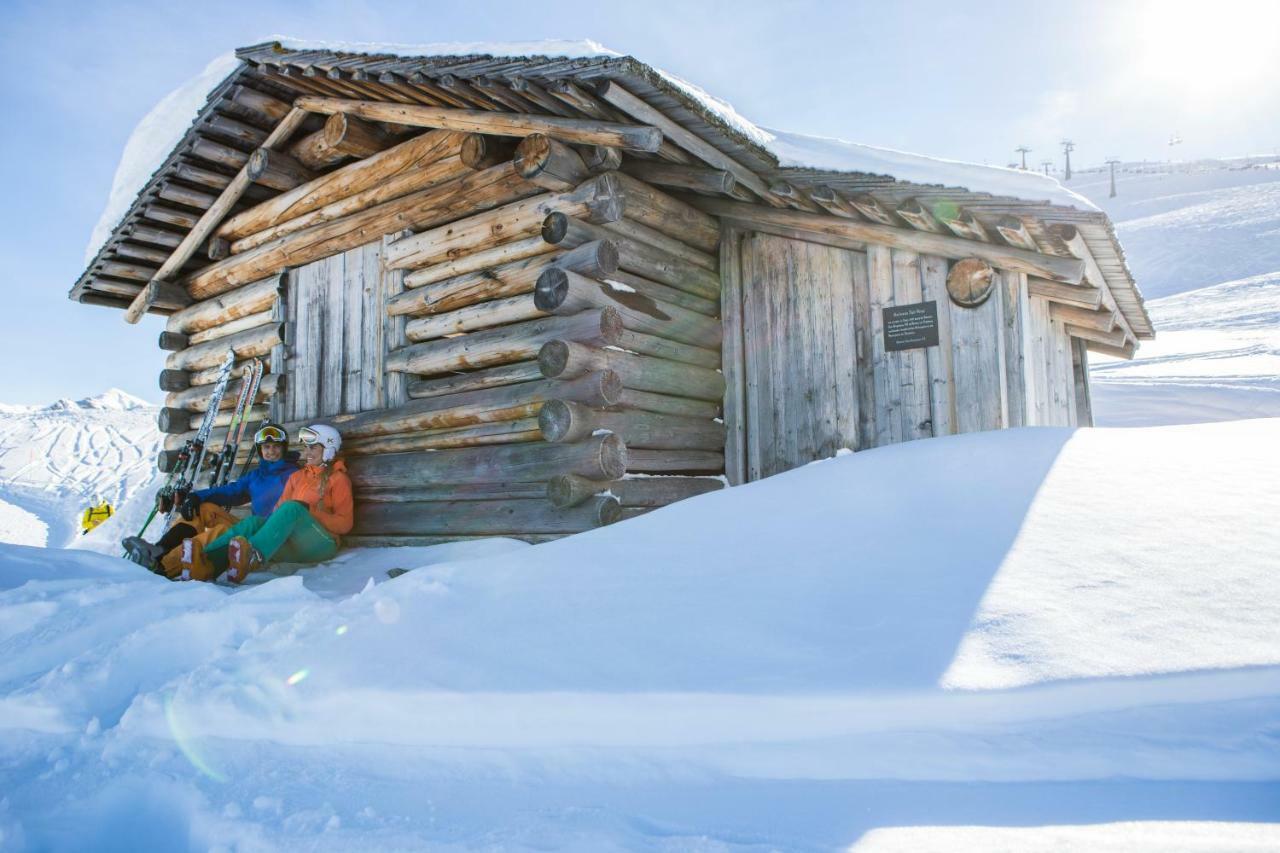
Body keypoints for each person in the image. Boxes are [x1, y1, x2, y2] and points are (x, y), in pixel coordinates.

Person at [182, 424, 353, 584]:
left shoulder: (338, 479)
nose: (307, 452)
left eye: (313, 447)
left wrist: (309, 510)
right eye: (306, 447)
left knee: (292, 507)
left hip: (322, 543)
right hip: (295, 545)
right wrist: (258, 529)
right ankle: (205, 563)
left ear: (329, 449)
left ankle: (252, 556)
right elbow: (278, 513)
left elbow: (345, 524)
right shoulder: (297, 477)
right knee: (254, 522)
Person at [122, 424, 298, 577]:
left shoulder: (293, 474)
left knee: (221, 531)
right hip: (250, 530)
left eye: (276, 446)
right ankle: (159, 550)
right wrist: (197, 496)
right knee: (204, 508)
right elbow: (231, 491)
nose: (271, 451)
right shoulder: (256, 476)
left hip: (268, 537)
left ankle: (164, 567)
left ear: (284, 448)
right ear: (260, 450)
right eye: (266, 447)